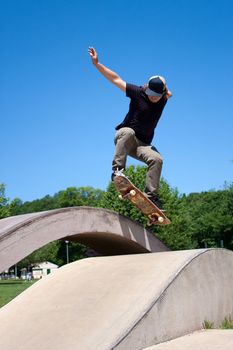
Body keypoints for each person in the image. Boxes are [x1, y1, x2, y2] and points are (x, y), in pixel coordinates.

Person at [88, 47, 172, 210]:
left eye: (156, 95)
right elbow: (115, 79)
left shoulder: (164, 98)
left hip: (142, 145)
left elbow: (169, 93)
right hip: (125, 138)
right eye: (150, 94)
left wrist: (166, 90)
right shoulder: (137, 92)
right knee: (128, 131)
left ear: (162, 94)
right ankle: (118, 172)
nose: (152, 97)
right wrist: (97, 63)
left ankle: (151, 198)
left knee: (157, 159)